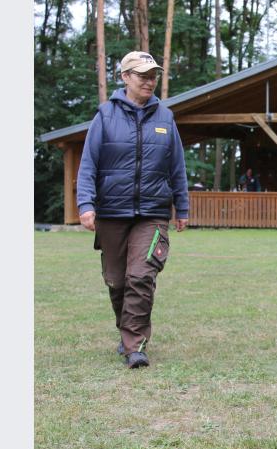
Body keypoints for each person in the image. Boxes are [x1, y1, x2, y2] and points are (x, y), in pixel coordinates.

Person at [77, 51, 190, 369]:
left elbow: (176, 166)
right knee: (116, 280)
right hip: (112, 213)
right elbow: (88, 164)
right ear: (125, 77)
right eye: (143, 75)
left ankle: (134, 346)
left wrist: (182, 206)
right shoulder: (105, 116)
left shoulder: (165, 118)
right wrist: (86, 204)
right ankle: (127, 334)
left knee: (141, 276)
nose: (150, 81)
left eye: (153, 75)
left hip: (152, 213)